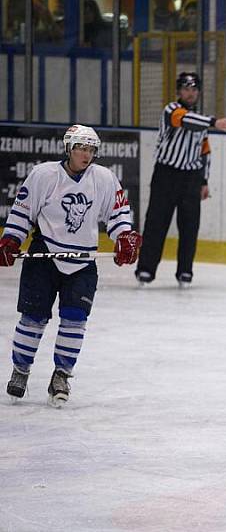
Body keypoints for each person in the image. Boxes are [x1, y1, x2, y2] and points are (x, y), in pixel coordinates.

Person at [1, 124, 142, 407]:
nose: (86, 155)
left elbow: (117, 215)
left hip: (82, 262)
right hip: (45, 256)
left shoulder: (103, 178)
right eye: (81, 148)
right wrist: (11, 239)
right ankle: (21, 370)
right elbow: (22, 212)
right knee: (33, 318)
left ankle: (61, 375)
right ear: (68, 148)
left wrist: (124, 236)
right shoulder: (44, 175)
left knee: (75, 319)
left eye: (91, 149)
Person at [135, 72, 226, 288]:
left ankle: (185, 272)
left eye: (194, 89)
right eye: (186, 88)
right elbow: (184, 120)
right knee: (156, 222)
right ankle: (146, 269)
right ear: (179, 91)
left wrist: (204, 181)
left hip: (191, 178)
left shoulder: (201, 122)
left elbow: (205, 152)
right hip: (166, 175)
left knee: (190, 226)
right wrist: (215, 122)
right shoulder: (171, 110)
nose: (190, 93)